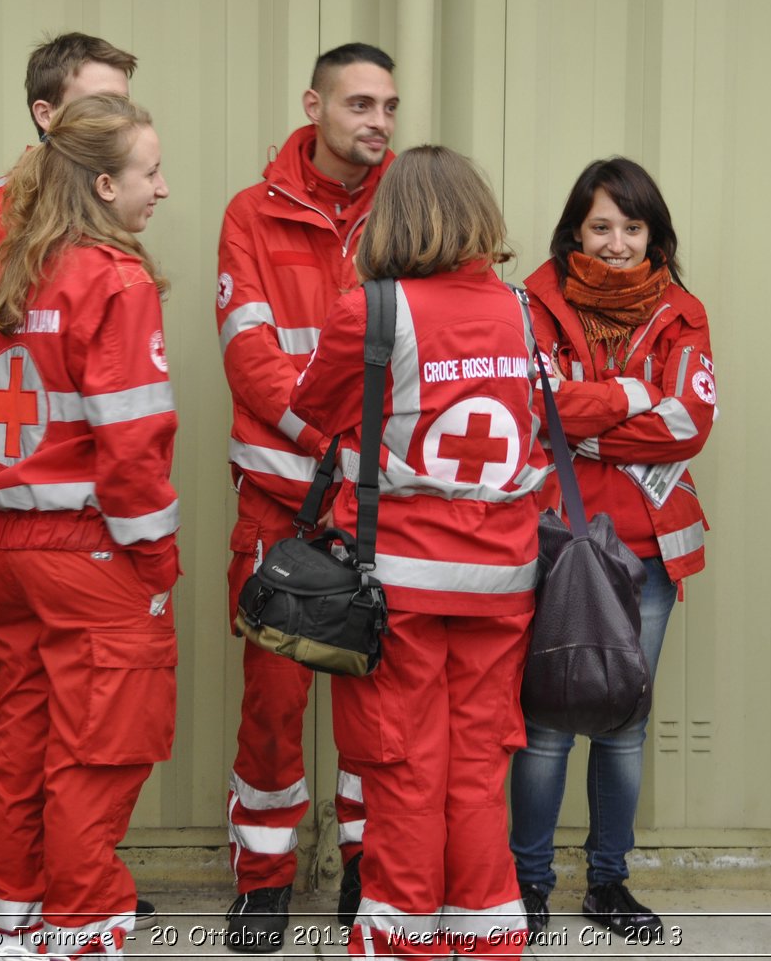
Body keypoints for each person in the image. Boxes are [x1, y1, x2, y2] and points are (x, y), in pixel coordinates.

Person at [289, 145, 544, 959]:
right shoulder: (525, 309)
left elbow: (313, 408)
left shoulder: (373, 309)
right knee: (477, 769)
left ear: (391, 219)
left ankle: (402, 944)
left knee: (403, 768)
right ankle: (488, 938)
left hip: (393, 583)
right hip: (503, 582)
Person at [0, 31, 154, 931]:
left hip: (76, 522)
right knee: (20, 713)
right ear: (46, 115)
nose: (122, 125)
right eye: (102, 106)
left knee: (75, 721)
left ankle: (38, 900)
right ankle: (1, 902)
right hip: (47, 524)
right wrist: (25, 484)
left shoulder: (101, 219)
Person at [215, 42, 397, 950]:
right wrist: (337, 450)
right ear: (313, 105)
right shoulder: (251, 214)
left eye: (389, 107)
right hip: (282, 505)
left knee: (376, 706)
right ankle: (264, 879)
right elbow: (251, 361)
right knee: (274, 704)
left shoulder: (413, 207)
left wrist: (367, 470)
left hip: (385, 510)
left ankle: (369, 869)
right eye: (360, 103)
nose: (378, 122)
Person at [509, 157, 715, 942]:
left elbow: (689, 422)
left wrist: (587, 413)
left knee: (621, 725)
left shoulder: (683, 311)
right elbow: (533, 408)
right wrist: (635, 396)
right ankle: (526, 883)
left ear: (654, 233)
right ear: (574, 231)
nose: (620, 242)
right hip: (555, 543)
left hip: (647, 550)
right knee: (546, 725)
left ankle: (608, 881)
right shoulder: (530, 305)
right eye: (602, 226)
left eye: (633, 227)